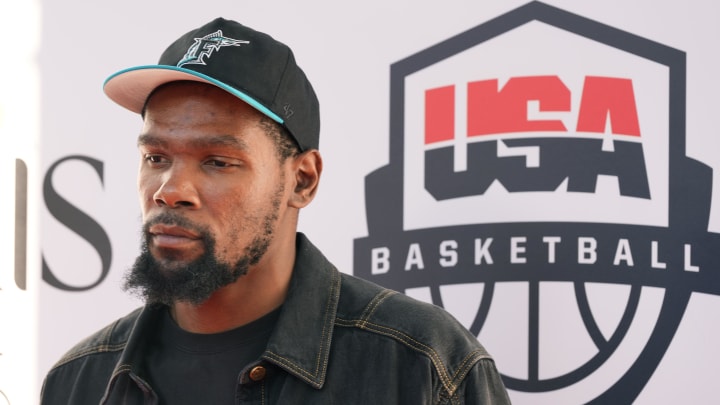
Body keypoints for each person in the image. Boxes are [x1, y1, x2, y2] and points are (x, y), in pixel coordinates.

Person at [40, 17, 511, 404]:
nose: (169, 189)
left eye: (217, 161)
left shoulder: (419, 364)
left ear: (301, 180)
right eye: (155, 158)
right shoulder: (78, 381)